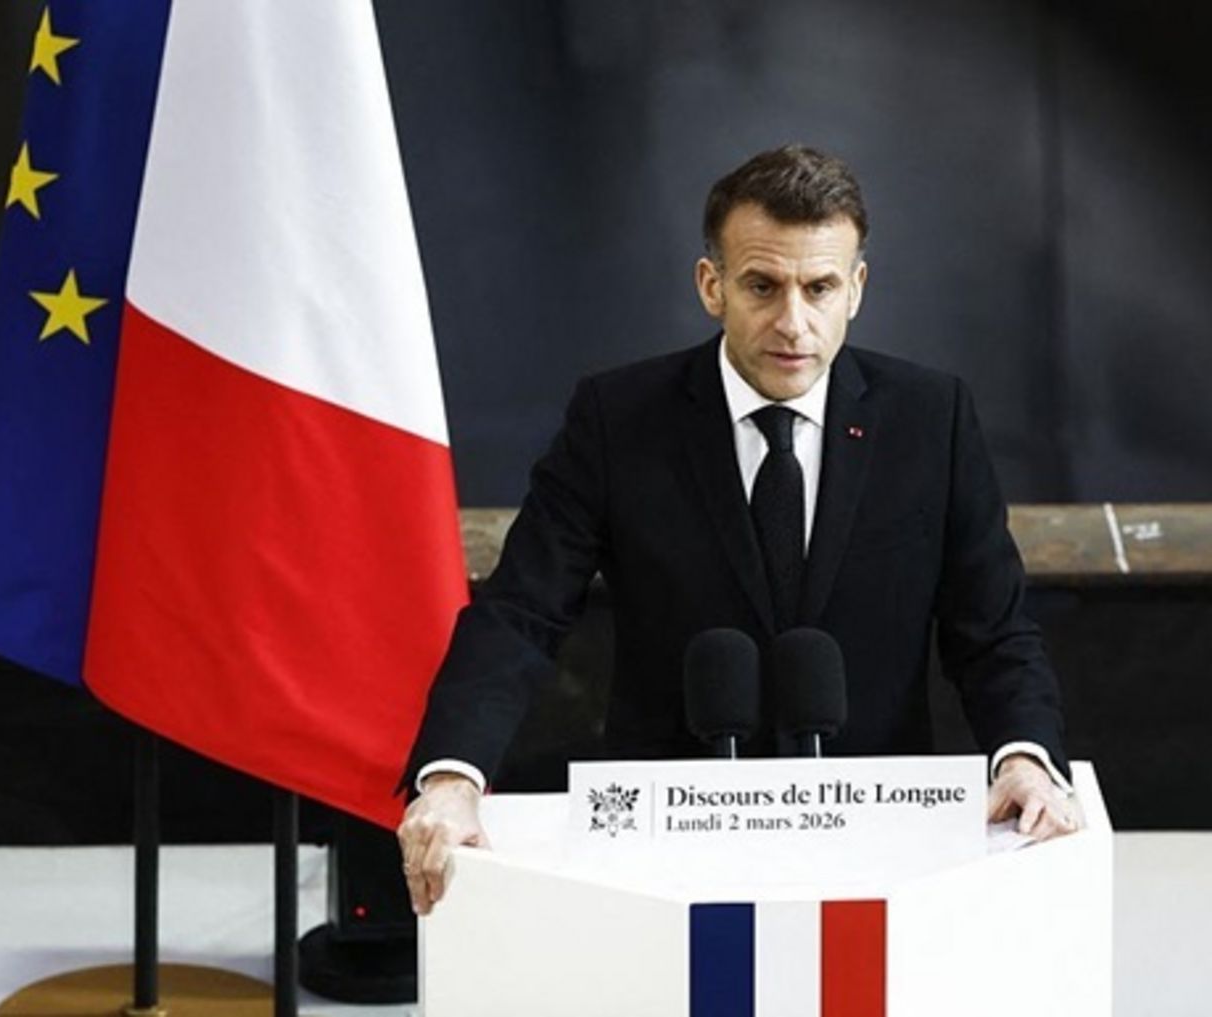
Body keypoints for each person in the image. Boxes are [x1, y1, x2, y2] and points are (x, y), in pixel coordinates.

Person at [397, 144, 1078, 915]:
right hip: (664, 848)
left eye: (819, 288)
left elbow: (992, 630)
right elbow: (522, 611)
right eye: (762, 285)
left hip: (874, 839)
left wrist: (1024, 756)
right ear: (710, 285)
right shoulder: (618, 420)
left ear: (855, 289)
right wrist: (451, 775)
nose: (793, 322)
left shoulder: (930, 419)